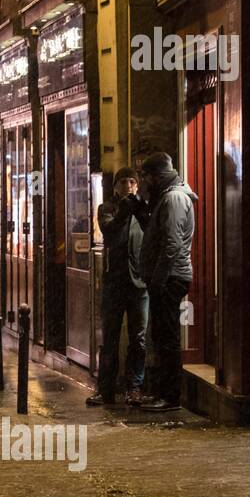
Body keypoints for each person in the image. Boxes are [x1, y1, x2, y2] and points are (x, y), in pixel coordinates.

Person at [137, 151, 197, 412]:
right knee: (161, 337)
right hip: (167, 276)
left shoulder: (173, 198)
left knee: (167, 338)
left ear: (157, 176)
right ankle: (162, 392)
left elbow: (171, 243)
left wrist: (159, 279)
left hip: (171, 278)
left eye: (145, 177)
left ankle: (171, 397)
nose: (143, 182)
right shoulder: (166, 196)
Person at [89, 166, 149, 407]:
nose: (128, 186)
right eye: (123, 182)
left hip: (139, 284)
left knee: (139, 338)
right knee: (110, 337)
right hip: (114, 283)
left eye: (132, 182)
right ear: (115, 186)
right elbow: (110, 232)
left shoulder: (143, 208)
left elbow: (152, 232)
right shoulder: (107, 209)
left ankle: (134, 387)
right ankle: (105, 389)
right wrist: (125, 210)